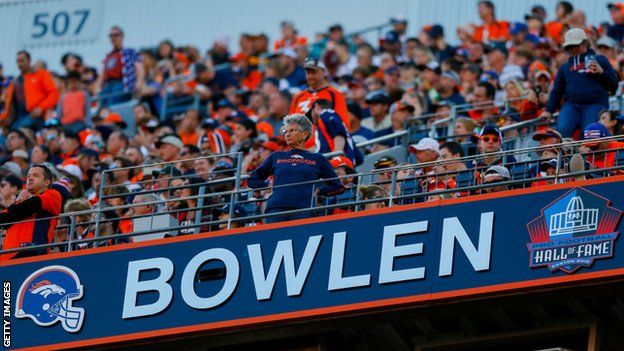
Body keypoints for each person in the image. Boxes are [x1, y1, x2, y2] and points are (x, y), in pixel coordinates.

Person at [247, 114, 344, 223]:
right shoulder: (277, 156)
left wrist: (320, 191)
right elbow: (252, 180)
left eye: (292, 130)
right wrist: (266, 185)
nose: (287, 134)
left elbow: (338, 187)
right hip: (275, 209)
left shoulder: (318, 158)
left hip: (304, 209)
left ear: (304, 134)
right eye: (286, 131)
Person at [540, 28, 619, 138]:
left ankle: (584, 155)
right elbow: (557, 91)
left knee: (589, 133)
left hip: (595, 104)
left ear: (584, 44)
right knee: (562, 130)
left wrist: (601, 72)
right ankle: (565, 155)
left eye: (575, 45)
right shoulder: (565, 67)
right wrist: (549, 110)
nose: (572, 49)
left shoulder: (600, 60)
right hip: (572, 105)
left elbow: (614, 86)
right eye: (569, 47)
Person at [0, 164, 64, 261]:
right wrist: (18, 204)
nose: (30, 178)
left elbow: (31, 205)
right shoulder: (20, 202)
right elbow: (3, 218)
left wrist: (17, 204)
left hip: (32, 250)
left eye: (36, 175)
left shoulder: (53, 194)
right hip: (8, 256)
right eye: (28, 176)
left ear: (47, 182)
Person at [0, 51, 59, 130]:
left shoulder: (41, 74)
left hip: (34, 115)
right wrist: (3, 119)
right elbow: (9, 106)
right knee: (3, 138)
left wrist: (41, 107)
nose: (19, 64)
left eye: (22, 60)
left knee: (18, 132)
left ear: (29, 60)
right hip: (17, 117)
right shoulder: (15, 82)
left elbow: (53, 94)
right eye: (17, 61)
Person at [290, 58, 350, 129]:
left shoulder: (335, 94)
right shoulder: (298, 97)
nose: (310, 76)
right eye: (308, 73)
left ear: (323, 72)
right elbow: (290, 124)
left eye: (314, 72)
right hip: (301, 139)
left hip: (322, 138)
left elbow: (344, 124)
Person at [95, 26, 144, 107]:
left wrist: (139, 82)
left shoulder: (130, 51)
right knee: (102, 108)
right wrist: (97, 86)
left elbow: (139, 67)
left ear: (122, 36)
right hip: (107, 85)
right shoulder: (108, 56)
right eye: (111, 36)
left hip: (121, 83)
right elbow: (103, 73)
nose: (113, 38)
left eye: (116, 35)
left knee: (112, 106)